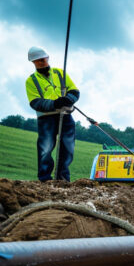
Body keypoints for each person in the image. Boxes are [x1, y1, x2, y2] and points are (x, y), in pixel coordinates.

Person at [25, 46, 80, 182]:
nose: (41, 62)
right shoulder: (31, 81)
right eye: (37, 61)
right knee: (46, 147)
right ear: (33, 63)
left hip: (65, 115)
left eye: (42, 60)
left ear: (47, 58)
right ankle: (45, 178)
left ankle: (62, 178)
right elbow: (35, 103)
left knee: (67, 146)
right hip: (46, 118)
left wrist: (68, 99)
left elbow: (74, 91)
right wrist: (54, 104)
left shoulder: (61, 73)